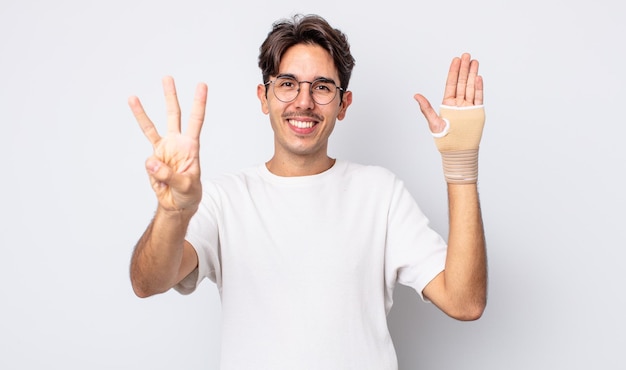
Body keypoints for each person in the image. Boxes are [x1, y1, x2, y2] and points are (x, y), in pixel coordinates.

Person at [128, 13, 487, 370]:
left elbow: (464, 302)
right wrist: (173, 214)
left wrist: (461, 166)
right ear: (264, 97)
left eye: (321, 87)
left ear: (343, 104)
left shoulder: (380, 193)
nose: (304, 102)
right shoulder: (224, 199)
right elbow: (149, 282)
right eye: (287, 83)